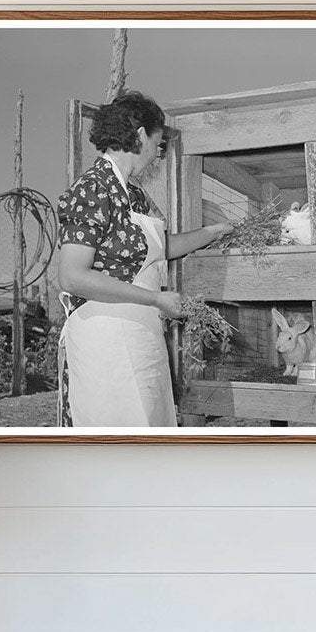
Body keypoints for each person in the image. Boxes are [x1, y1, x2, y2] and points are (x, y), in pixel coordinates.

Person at [56, 90, 233, 427]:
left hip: (142, 335)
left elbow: (159, 247)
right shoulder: (93, 188)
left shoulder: (133, 194)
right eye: (156, 142)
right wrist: (155, 298)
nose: (157, 153)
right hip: (105, 340)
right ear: (140, 136)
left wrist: (213, 232)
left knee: (150, 425)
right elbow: (72, 276)